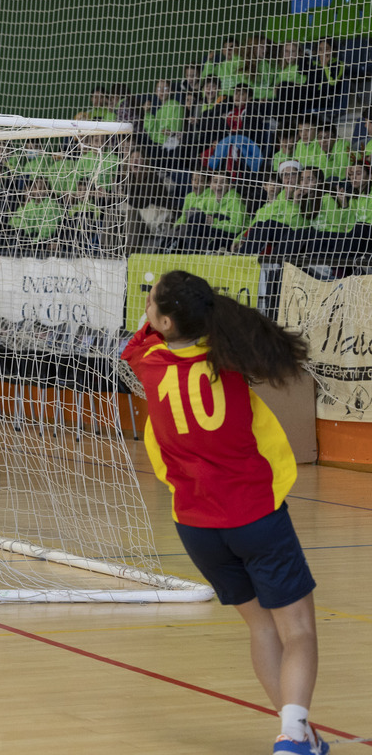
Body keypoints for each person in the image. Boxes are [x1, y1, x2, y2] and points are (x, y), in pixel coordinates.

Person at [121, 270, 326, 755]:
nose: (147, 308)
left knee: (261, 627)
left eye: (150, 303)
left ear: (165, 322)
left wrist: (158, 315)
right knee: (297, 631)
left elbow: (143, 336)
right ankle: (293, 734)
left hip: (196, 527)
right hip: (256, 516)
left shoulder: (146, 363)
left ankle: (297, 735)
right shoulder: (228, 358)